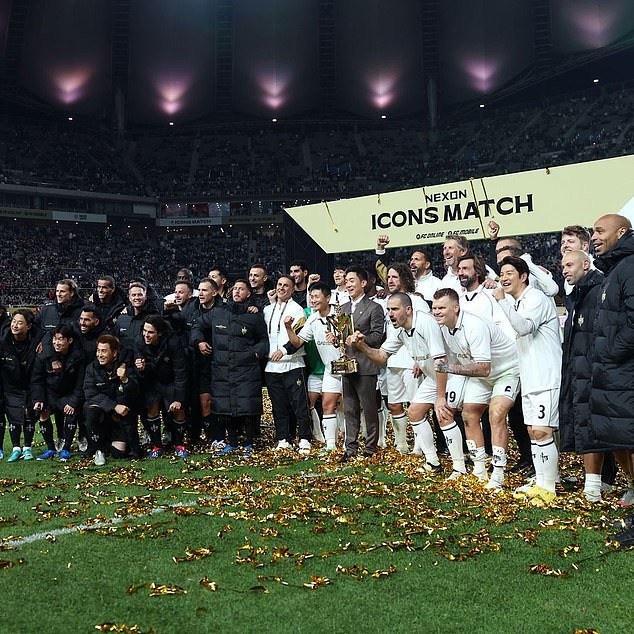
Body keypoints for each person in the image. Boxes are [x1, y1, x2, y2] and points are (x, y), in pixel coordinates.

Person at [350, 292, 464, 474]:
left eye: (394, 309)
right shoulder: (400, 330)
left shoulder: (425, 322)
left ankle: (460, 468)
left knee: (444, 415)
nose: (390, 314)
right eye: (388, 309)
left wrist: (440, 397)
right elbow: (380, 357)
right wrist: (361, 346)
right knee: (415, 412)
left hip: (452, 374)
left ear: (408, 310)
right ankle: (433, 463)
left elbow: (441, 361)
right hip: (434, 376)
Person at [432, 288, 520, 488]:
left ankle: (498, 473)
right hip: (481, 375)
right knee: (469, 414)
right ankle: (479, 469)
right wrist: (440, 395)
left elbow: (483, 368)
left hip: (506, 371)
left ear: (455, 308)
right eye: (434, 307)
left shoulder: (474, 325)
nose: (436, 312)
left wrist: (450, 368)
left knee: (496, 414)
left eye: (441, 307)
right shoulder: (443, 328)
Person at [493, 257, 562, 506]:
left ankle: (549, 487)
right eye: (502, 273)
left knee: (543, 431)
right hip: (531, 377)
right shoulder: (519, 301)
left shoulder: (536, 298)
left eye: (510, 272)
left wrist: (501, 301)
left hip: (546, 376)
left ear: (523, 276)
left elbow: (523, 328)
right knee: (534, 432)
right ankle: (541, 480)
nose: (504, 278)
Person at [457, 253, 533, 473]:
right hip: (477, 368)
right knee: (473, 411)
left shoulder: (492, 295)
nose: (461, 272)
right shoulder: (458, 301)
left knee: (513, 414)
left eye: (466, 268)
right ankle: (484, 456)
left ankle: (526, 458)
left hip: (504, 363)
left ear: (478, 272)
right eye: (459, 269)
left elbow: (505, 326)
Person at [587, 214, 634, 511]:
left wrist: (610, 353)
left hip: (624, 371)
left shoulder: (629, 266)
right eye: (592, 231)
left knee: (629, 436)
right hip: (611, 373)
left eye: (600, 231)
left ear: (622, 232)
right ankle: (632, 487)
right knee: (617, 435)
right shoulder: (615, 268)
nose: (594, 236)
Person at [193, 280, 268, 456]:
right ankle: (232, 442)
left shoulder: (255, 317)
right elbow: (197, 325)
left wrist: (257, 353)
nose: (237, 291)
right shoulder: (217, 313)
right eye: (235, 288)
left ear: (248, 294)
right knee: (226, 407)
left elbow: (263, 340)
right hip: (222, 368)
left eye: (241, 289)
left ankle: (249, 443)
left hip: (246, 368)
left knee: (247, 406)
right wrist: (200, 341)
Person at [559, 250, 608, 502]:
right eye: (563, 266)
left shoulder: (599, 290)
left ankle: (595, 486)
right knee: (589, 426)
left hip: (593, 371)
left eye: (569, 264)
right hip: (579, 369)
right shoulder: (579, 293)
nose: (564, 270)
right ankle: (595, 484)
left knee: (599, 428)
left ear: (586, 264)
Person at [283, 281, 343, 451]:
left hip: (348, 369)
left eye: (317, 296)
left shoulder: (341, 314)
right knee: (327, 405)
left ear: (328, 297)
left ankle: (351, 441)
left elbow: (351, 342)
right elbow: (298, 342)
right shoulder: (313, 318)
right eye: (311, 296)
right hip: (331, 370)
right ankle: (330, 444)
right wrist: (289, 328)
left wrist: (338, 340)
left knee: (350, 409)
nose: (313, 300)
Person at [339, 266, 385, 461]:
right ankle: (350, 448)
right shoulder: (343, 308)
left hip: (366, 364)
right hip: (347, 364)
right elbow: (343, 336)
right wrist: (336, 337)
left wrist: (361, 339)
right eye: (346, 281)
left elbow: (378, 335)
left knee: (368, 407)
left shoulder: (375, 308)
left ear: (363, 283)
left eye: (352, 281)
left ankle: (370, 447)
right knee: (349, 408)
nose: (348, 284)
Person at [264, 275, 312, 453]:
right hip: (271, 366)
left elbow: (299, 337)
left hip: (293, 364)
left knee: (299, 404)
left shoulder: (297, 309)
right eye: (279, 285)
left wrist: (283, 351)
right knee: (278, 405)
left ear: (293, 289)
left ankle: (305, 437)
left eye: (286, 286)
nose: (282, 288)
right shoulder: (267, 310)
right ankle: (283, 438)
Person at [134, 314, 189, 458]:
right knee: (152, 406)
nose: (146, 335)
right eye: (145, 331)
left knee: (179, 408)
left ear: (160, 333)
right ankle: (157, 446)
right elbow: (140, 370)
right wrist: (141, 368)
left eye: (150, 332)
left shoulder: (173, 343)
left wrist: (179, 398)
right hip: (152, 381)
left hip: (171, 379)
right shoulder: (139, 341)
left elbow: (181, 372)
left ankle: (179, 443)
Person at [32, 324, 86, 461]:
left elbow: (81, 384)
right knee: (42, 410)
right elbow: (37, 380)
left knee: (71, 410)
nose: (56, 342)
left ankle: (66, 448)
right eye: (55, 339)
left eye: (61, 339)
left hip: (68, 394)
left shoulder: (78, 357)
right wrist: (38, 399)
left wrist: (73, 402)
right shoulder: (44, 356)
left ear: (70, 341)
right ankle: (50, 448)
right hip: (50, 393)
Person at [83, 335, 139, 466]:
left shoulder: (125, 368)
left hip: (118, 420)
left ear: (114, 353)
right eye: (98, 350)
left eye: (104, 351)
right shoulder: (91, 368)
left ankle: (107, 443)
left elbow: (136, 393)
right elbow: (90, 394)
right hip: (102, 415)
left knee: (118, 454)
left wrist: (125, 380)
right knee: (92, 409)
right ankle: (98, 450)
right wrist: (114, 406)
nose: (100, 355)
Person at [1, 310, 44, 462]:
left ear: (29, 326)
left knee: (29, 415)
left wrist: (43, 343)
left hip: (30, 384)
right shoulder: (3, 341)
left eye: (20, 323)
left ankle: (27, 448)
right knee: (13, 415)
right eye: (14, 321)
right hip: (10, 385)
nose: (15, 325)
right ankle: (15, 448)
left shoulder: (38, 339)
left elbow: (48, 333)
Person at [374, 235, 441, 303]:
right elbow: (381, 267)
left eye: (416, 259)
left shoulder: (437, 283)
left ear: (427, 265)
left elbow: (441, 305)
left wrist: (422, 301)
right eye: (411, 259)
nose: (412, 262)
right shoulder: (404, 280)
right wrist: (380, 248)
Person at [35, 278, 85, 348]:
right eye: (57, 291)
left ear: (71, 293)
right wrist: (40, 341)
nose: (58, 294)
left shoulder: (83, 312)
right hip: (48, 355)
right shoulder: (46, 310)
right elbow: (35, 328)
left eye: (62, 291)